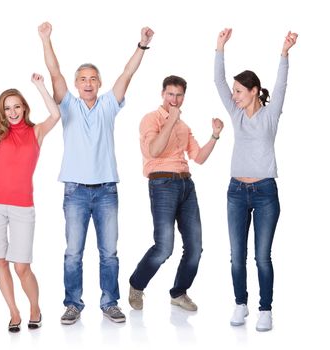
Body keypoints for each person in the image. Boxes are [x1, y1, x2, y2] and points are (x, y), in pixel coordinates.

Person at [37, 21, 154, 324]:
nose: (87, 83)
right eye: (82, 79)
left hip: (105, 190)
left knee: (109, 253)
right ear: (76, 85)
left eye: (93, 79)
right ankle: (73, 304)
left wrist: (141, 45)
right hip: (75, 190)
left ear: (99, 84)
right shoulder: (68, 106)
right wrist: (46, 39)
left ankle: (110, 302)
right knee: (73, 252)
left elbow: (127, 73)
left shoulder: (108, 106)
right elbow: (54, 73)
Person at [0, 36, 60, 332]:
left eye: (16, 106)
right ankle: (14, 312)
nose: (11, 112)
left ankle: (35, 306)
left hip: (22, 206)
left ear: (23, 107)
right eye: (7, 108)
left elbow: (56, 113)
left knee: (22, 266)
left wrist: (40, 86)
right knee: (0, 260)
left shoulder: (36, 132)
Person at [215, 28, 298, 331]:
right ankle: (240, 304)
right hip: (236, 191)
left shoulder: (271, 114)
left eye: (239, 91)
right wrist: (220, 48)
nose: (233, 96)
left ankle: (265, 309)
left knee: (262, 256)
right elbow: (218, 82)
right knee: (237, 256)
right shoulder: (236, 115)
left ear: (253, 91)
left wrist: (284, 53)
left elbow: (282, 82)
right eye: (234, 91)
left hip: (265, 192)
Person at [128, 75, 224, 311]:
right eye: (170, 94)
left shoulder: (184, 126)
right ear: (162, 93)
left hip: (186, 184)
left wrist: (215, 135)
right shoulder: (151, 119)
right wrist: (170, 120)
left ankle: (179, 292)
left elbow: (199, 157)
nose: (174, 99)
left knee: (195, 246)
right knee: (164, 247)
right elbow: (154, 151)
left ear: (183, 97)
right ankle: (137, 285)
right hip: (162, 183)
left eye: (179, 95)